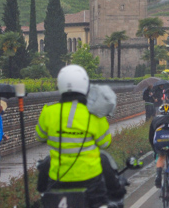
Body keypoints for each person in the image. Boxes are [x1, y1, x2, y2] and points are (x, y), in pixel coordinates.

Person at [36, 65, 113, 208]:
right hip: (90, 179)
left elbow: (39, 136)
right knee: (103, 202)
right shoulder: (95, 114)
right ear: (85, 85)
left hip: (58, 178)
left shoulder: (48, 112)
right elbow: (105, 143)